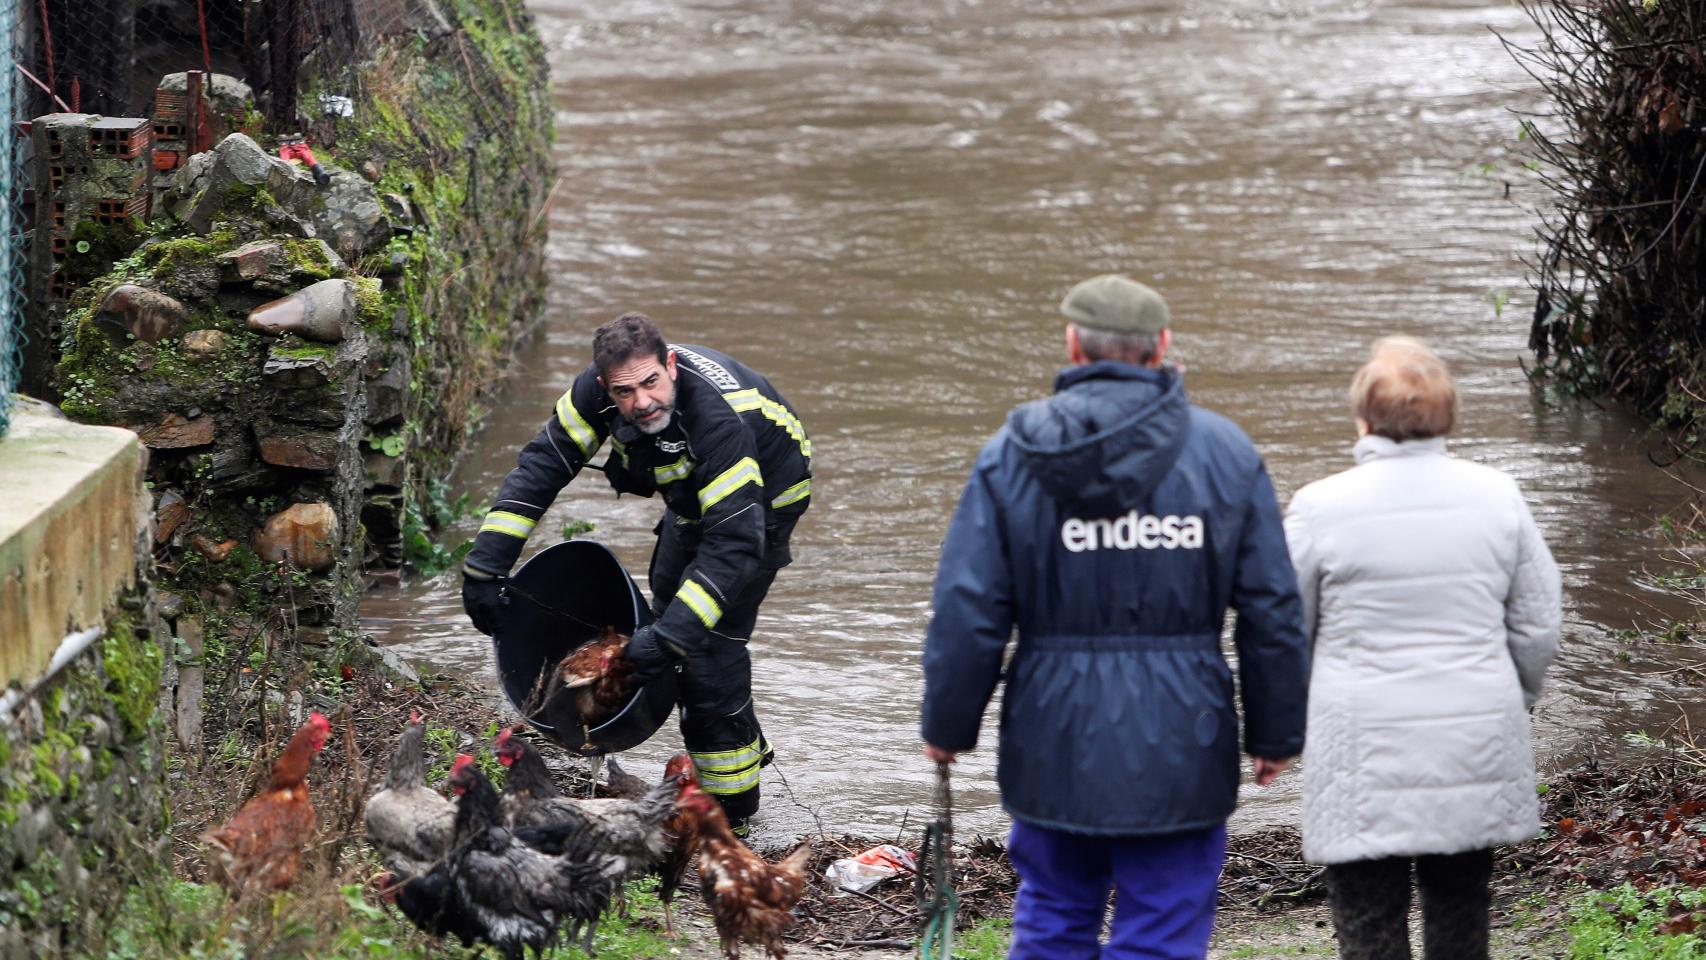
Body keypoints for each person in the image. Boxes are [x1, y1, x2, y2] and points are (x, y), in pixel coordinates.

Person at [919, 275, 1311, 959]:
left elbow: (970, 609)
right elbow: (1270, 610)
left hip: (1053, 734)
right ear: (1161, 346)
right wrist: (1275, 734)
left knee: (1054, 919)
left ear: (1073, 343)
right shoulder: (1226, 453)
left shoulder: (1013, 453)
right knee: (1162, 929)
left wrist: (947, 725)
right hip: (1184, 736)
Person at [461, 313, 812, 832]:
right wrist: (486, 565)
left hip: (763, 508)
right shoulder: (594, 392)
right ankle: (737, 740)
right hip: (692, 503)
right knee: (668, 612)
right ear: (605, 386)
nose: (642, 401)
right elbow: (542, 466)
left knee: (704, 645)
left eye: (652, 383)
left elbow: (734, 546)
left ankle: (734, 816)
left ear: (670, 366)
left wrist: (667, 644)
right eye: (626, 392)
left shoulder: (717, 423)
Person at [1283, 336, 1561, 960]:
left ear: (1363, 418)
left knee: (1368, 916)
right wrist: (1511, 696)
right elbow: (1538, 622)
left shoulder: (1318, 507)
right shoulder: (1499, 496)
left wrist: (1298, 713)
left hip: (1360, 745)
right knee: (1461, 907)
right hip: (1473, 739)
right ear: (1448, 417)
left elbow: (1285, 629)